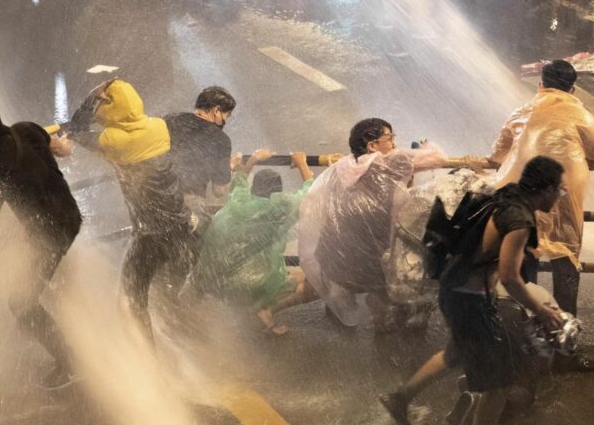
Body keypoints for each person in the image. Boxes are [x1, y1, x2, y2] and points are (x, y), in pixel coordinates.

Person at [438, 156, 566, 425]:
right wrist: (541, 311)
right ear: (547, 189)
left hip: (459, 291)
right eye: (560, 191)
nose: (560, 197)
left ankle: (466, 401)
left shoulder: (506, 195)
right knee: (499, 383)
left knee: (493, 367)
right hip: (468, 300)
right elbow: (510, 276)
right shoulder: (520, 220)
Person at [0, 94, 82, 387]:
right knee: (34, 271)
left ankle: (70, 362)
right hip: (70, 216)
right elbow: (61, 150)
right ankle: (62, 315)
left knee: (21, 303)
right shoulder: (28, 128)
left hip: (49, 233)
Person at [67, 80, 193, 341]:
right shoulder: (158, 126)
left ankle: (146, 362)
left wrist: (91, 99)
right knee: (166, 294)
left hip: (150, 236)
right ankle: (185, 346)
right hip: (180, 227)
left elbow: (77, 129)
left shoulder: (113, 141)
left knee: (130, 298)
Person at [298, 118, 447, 329]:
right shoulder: (392, 163)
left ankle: (354, 310)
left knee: (374, 275)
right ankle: (382, 324)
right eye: (390, 138)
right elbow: (439, 158)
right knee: (389, 278)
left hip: (341, 259)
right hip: (377, 253)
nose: (394, 143)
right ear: (372, 145)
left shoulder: (343, 167)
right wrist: (425, 143)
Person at [490, 60, 594, 318]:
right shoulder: (581, 114)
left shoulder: (520, 111)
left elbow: (497, 155)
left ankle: (524, 322)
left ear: (541, 84)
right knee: (565, 252)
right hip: (560, 194)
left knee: (524, 252)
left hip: (519, 194)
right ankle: (564, 324)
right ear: (573, 90)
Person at [186, 150, 316, 335]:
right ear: (277, 193)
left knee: (245, 264)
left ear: (253, 188)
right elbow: (310, 193)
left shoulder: (238, 199)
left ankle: (256, 307)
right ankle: (262, 307)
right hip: (245, 285)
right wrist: (301, 162)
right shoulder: (280, 208)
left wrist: (253, 160)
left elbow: (239, 179)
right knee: (312, 281)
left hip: (209, 280)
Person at [164, 86, 235, 232]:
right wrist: (230, 167)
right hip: (188, 204)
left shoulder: (170, 120)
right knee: (201, 241)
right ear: (216, 111)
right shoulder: (220, 139)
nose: (224, 121)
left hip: (158, 195)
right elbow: (219, 190)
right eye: (226, 116)